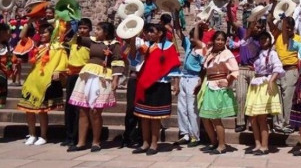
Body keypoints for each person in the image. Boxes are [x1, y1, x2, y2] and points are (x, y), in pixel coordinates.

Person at [66, 22, 124, 152]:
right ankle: (81, 142)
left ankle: (96, 142)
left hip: (102, 76)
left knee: (95, 111)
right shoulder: (91, 41)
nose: (95, 32)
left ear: (106, 32)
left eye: (98, 29)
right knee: (83, 110)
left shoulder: (114, 45)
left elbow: (117, 61)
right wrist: (72, 24)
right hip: (87, 75)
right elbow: (73, 38)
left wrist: (115, 79)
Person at [132, 23, 181, 155]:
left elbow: (174, 66)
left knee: (155, 117)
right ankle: (145, 143)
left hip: (160, 85)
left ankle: (154, 143)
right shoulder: (145, 46)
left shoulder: (169, 46)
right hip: (144, 84)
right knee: (144, 117)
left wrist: (176, 84)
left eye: (152, 32)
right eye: (147, 32)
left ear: (159, 33)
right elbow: (134, 58)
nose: (149, 34)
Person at [17, 23, 67, 146]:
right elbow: (22, 36)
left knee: (42, 111)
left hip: (44, 81)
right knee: (28, 110)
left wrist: (58, 70)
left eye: (45, 32)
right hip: (32, 80)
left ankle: (43, 136)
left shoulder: (57, 47)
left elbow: (63, 61)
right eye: (41, 32)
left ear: (51, 34)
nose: (42, 34)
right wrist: (29, 21)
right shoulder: (36, 45)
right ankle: (32, 134)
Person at [196, 31, 238, 155]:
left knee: (215, 118)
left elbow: (235, 70)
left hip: (218, 87)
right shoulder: (209, 52)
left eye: (222, 40)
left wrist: (228, 80)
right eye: (217, 39)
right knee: (205, 116)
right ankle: (214, 142)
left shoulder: (227, 53)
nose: (219, 42)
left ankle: (222, 145)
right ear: (214, 40)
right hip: (208, 85)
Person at [244, 31, 284, 155]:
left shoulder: (272, 53)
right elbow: (247, 42)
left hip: (265, 83)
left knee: (262, 117)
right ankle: (257, 144)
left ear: (270, 40)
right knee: (252, 116)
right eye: (261, 38)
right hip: (256, 83)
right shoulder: (257, 52)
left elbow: (278, 68)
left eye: (265, 38)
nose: (263, 41)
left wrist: (271, 81)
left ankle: (265, 146)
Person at [60, 18, 92, 147]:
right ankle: (68, 135)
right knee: (69, 106)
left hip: (84, 74)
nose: (82, 30)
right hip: (72, 75)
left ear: (90, 29)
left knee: (80, 107)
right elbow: (64, 35)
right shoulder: (73, 40)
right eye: (80, 28)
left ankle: (78, 136)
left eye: (85, 28)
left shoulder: (91, 42)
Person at [174, 24, 207, 148]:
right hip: (184, 77)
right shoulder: (188, 45)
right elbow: (178, 31)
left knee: (192, 109)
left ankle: (195, 136)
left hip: (194, 78)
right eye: (191, 36)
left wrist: (200, 81)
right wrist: (174, 12)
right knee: (181, 108)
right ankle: (185, 133)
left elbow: (204, 68)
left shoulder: (201, 49)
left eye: (194, 37)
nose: (191, 39)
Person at [269, 16, 301, 134]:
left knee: (287, 99)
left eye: (290, 28)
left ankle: (288, 124)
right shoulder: (278, 36)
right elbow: (269, 21)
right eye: (286, 27)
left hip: (291, 70)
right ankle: (277, 124)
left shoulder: (298, 39)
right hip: (277, 71)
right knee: (276, 98)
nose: (288, 30)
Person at [231, 20, 263, 133]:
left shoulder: (261, 38)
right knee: (241, 95)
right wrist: (229, 7)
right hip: (242, 69)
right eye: (256, 26)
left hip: (254, 71)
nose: (258, 29)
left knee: (253, 98)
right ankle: (240, 122)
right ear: (251, 25)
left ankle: (251, 122)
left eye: (260, 28)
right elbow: (232, 21)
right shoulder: (243, 32)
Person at [0, 22, 11, 109]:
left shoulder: (6, 46)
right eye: (8, 32)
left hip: (3, 75)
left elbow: (9, 60)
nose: (10, 34)